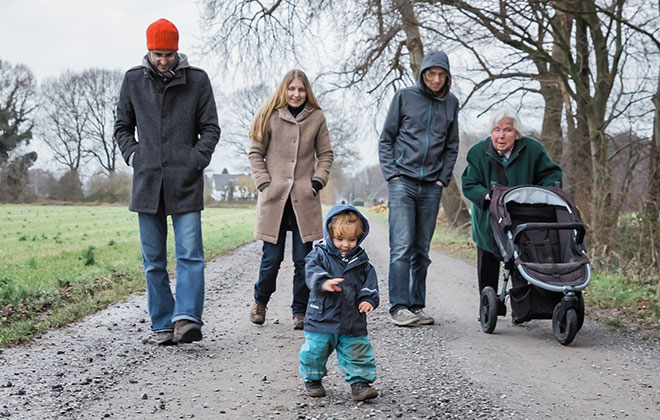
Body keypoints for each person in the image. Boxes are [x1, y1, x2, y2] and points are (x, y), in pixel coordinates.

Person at [114, 18, 220, 345]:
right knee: (153, 261)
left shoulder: (197, 81)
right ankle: (162, 323)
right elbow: (122, 128)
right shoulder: (133, 81)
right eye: (158, 54)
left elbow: (211, 129)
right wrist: (134, 156)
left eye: (169, 54)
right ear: (148, 51)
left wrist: (195, 159)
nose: (164, 60)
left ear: (177, 51)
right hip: (147, 185)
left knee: (190, 255)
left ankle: (186, 318)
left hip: (185, 182)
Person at [378, 50, 460, 326]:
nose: (436, 79)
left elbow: (451, 146)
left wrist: (442, 179)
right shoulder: (404, 97)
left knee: (421, 250)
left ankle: (416, 305)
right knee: (401, 247)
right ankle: (398, 307)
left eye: (441, 74)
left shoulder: (451, 103)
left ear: (447, 77)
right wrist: (393, 175)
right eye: (431, 73)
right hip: (403, 182)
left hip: (431, 186)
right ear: (423, 74)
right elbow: (386, 139)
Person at [248, 69, 334, 330]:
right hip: (275, 199)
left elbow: (326, 155)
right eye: (292, 89)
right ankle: (260, 301)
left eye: (301, 89)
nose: (296, 94)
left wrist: (317, 181)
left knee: (303, 260)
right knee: (271, 259)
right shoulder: (269, 115)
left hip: (304, 199)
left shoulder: (317, 118)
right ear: (284, 90)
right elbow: (255, 152)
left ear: (307, 91)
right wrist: (264, 182)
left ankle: (300, 310)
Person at [461, 108, 562, 303]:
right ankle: (486, 304)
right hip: (488, 219)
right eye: (496, 130)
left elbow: (551, 173)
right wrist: (485, 195)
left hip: (523, 217)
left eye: (507, 130)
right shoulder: (478, 152)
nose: (501, 135)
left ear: (516, 134)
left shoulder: (532, 149)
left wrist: (545, 192)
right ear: (491, 132)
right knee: (488, 262)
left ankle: (521, 306)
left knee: (520, 260)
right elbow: (469, 183)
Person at [299, 204, 379, 401]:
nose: (345, 244)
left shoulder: (362, 262)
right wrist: (323, 282)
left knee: (358, 351)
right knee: (315, 351)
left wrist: (368, 299)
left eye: (352, 240)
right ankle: (313, 379)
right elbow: (310, 271)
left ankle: (360, 383)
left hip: (352, 319)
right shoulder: (319, 255)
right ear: (329, 234)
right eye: (340, 239)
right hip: (322, 318)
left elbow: (370, 284)